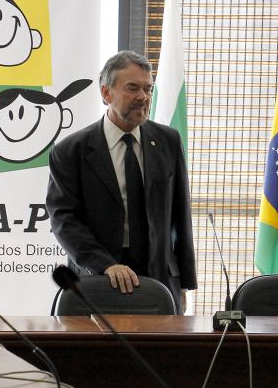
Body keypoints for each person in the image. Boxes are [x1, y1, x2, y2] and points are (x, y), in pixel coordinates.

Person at [46, 50, 196, 311]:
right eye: (133, 88)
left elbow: (180, 216)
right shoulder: (71, 151)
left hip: (160, 278)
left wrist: (185, 284)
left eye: (148, 89)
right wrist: (105, 265)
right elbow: (64, 220)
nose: (143, 97)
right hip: (97, 278)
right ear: (106, 93)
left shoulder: (168, 141)